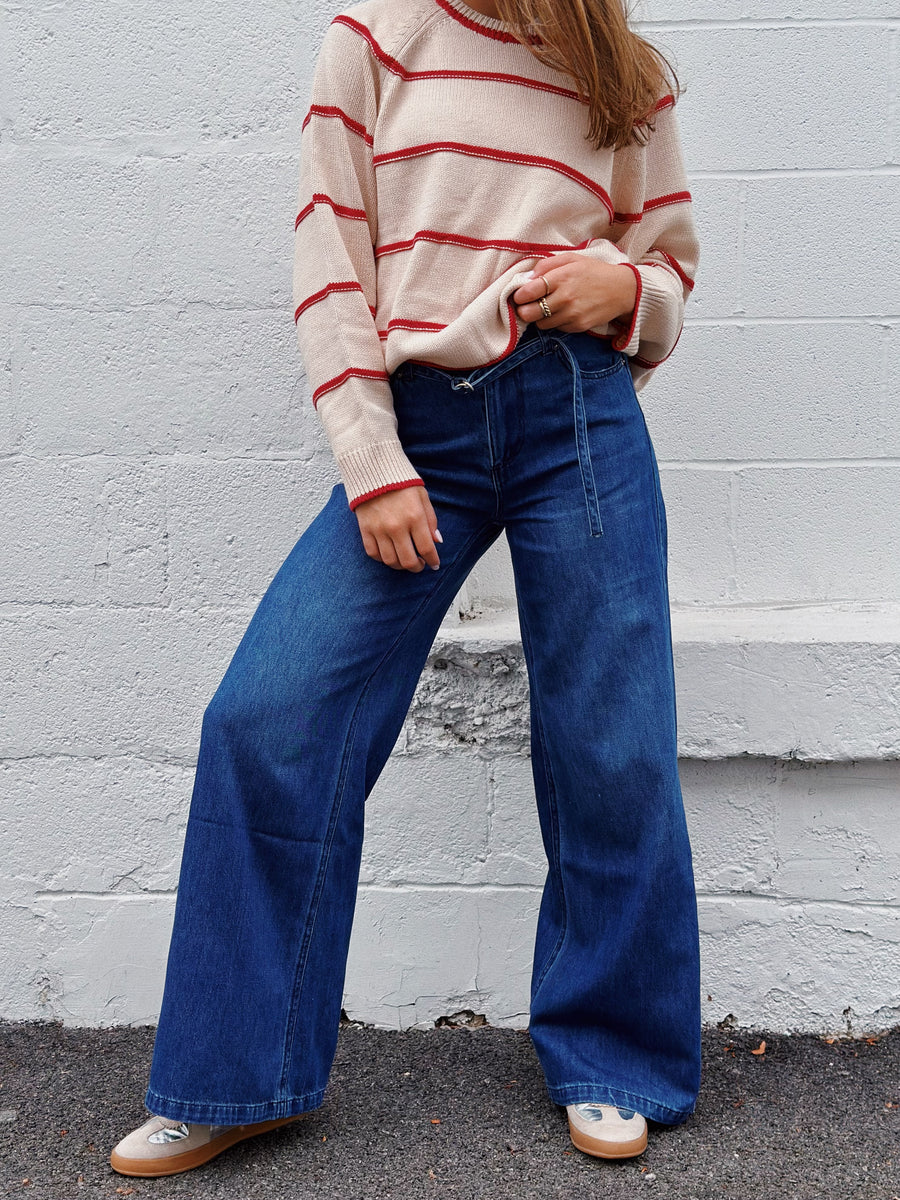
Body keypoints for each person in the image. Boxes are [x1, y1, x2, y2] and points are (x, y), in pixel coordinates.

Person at [110, 0, 701, 1178]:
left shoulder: (621, 68)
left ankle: (615, 1056)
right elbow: (331, 262)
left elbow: (669, 263)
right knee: (268, 718)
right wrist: (372, 462)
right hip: (421, 426)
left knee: (612, 740)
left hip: (578, 416)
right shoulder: (379, 38)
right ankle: (236, 1075)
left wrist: (626, 294)